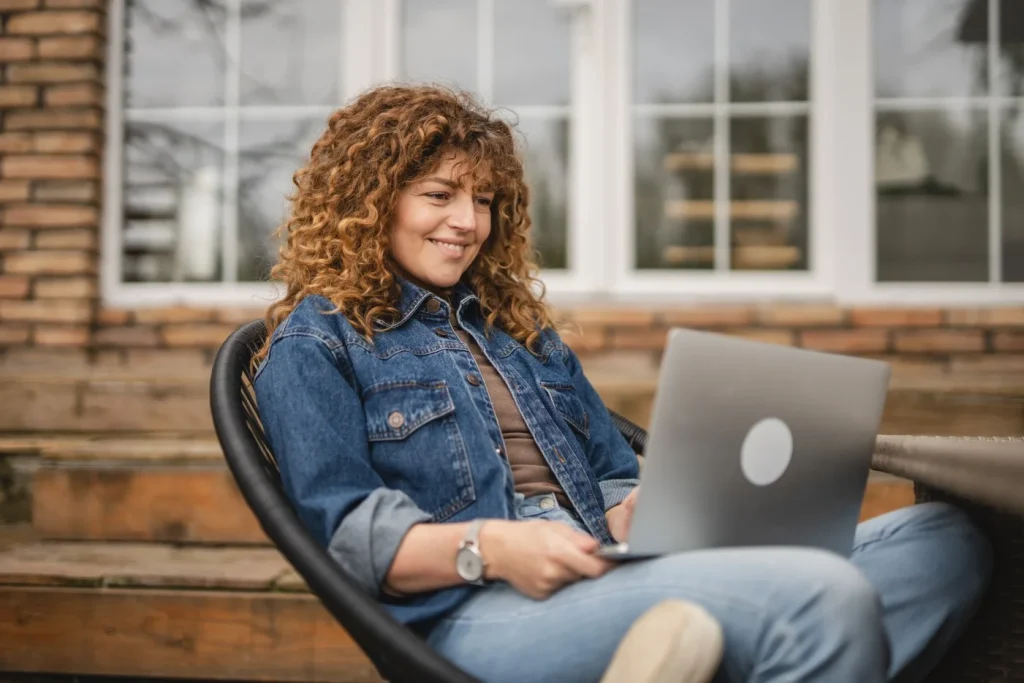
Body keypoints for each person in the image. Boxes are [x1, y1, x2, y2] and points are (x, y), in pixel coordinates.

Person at [252, 84, 992, 683]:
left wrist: (639, 508)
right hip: (478, 608)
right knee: (823, 597)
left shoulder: (522, 334)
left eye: (483, 201)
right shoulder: (317, 342)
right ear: (370, 201)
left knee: (946, 542)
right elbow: (346, 539)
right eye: (440, 194)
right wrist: (493, 547)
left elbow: (608, 475)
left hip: (604, 568)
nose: (467, 222)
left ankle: (728, 651)